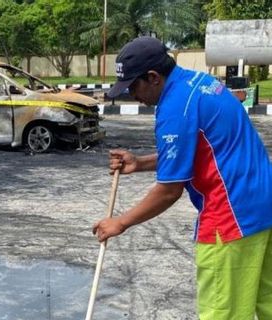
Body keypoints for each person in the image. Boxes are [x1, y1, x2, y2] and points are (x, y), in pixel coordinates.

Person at [92, 36, 272, 319]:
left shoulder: (175, 108)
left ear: (152, 77)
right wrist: (139, 164)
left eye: (132, 87)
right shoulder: (200, 84)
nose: (131, 95)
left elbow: (169, 191)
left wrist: (120, 222)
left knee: (222, 313)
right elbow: (198, 153)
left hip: (230, 220)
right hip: (263, 207)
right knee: (267, 303)